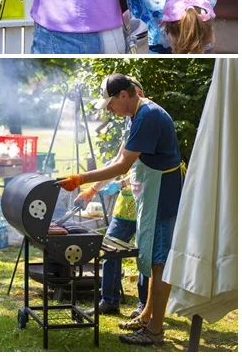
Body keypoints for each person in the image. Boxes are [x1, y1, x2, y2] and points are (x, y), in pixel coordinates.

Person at [56, 74, 183, 346]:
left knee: (159, 262)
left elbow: (123, 166)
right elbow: (118, 158)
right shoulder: (134, 115)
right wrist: (92, 189)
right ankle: (148, 314)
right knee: (152, 257)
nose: (108, 109)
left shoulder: (148, 116)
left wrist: (81, 178)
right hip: (152, 192)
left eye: (110, 103)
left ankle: (154, 331)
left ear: (123, 96)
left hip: (163, 193)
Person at [75, 178, 149, 317]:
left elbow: (144, 171)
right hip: (124, 208)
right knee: (109, 251)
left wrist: (122, 183)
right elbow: (117, 164)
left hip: (146, 207)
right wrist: (96, 187)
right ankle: (109, 301)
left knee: (145, 255)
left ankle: (144, 306)